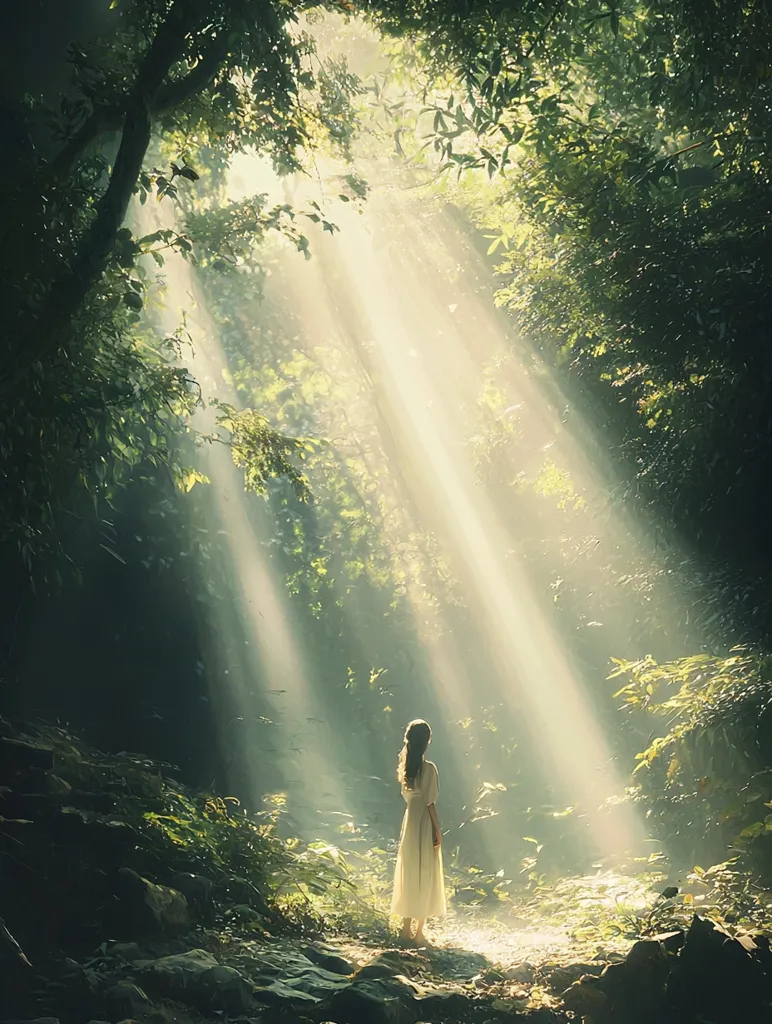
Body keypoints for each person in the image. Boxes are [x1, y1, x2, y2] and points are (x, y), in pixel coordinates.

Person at [391, 718, 446, 944]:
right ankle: (420, 932)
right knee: (426, 870)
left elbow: (410, 798)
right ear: (427, 742)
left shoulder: (406, 769)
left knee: (410, 868)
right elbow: (430, 802)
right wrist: (437, 828)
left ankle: (405, 929)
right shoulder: (429, 769)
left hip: (410, 821)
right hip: (423, 821)